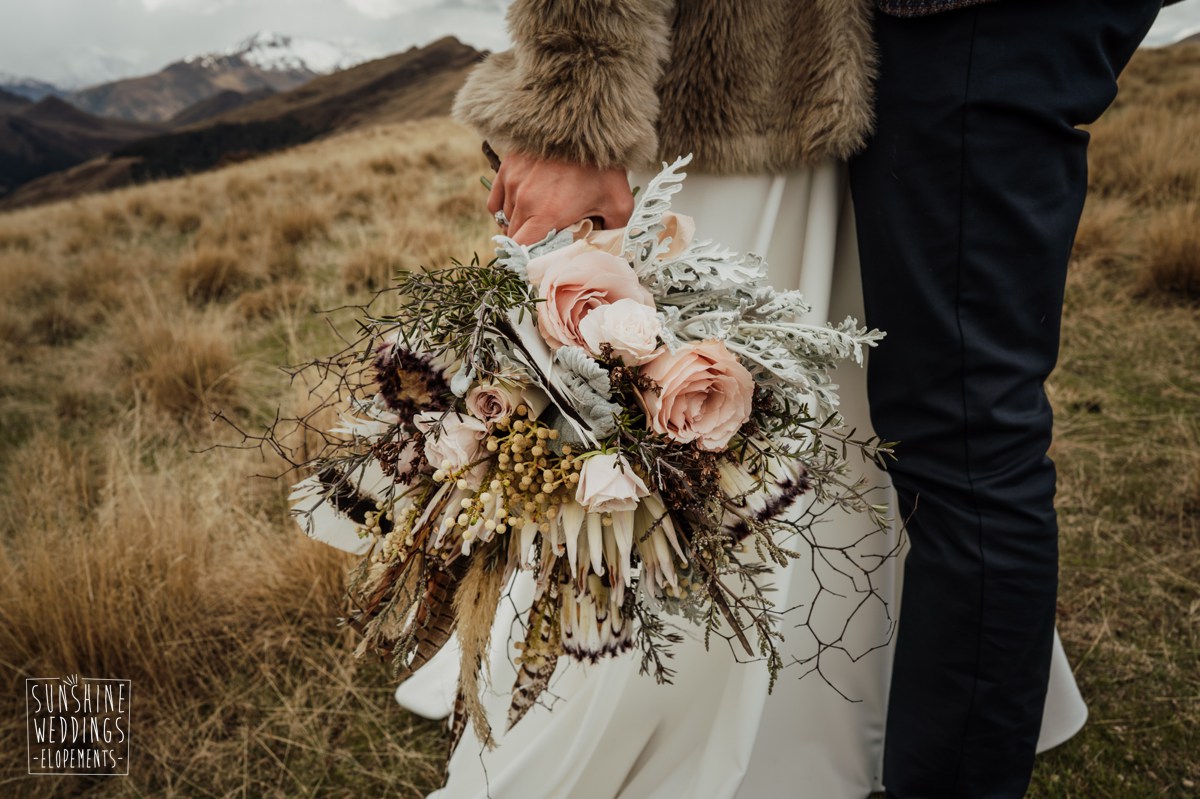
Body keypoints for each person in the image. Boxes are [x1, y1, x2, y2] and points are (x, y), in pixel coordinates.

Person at [393, 0, 1167, 795]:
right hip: (796, 77)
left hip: (829, 71)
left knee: (960, 441)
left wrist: (572, 106)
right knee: (923, 426)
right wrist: (574, 108)